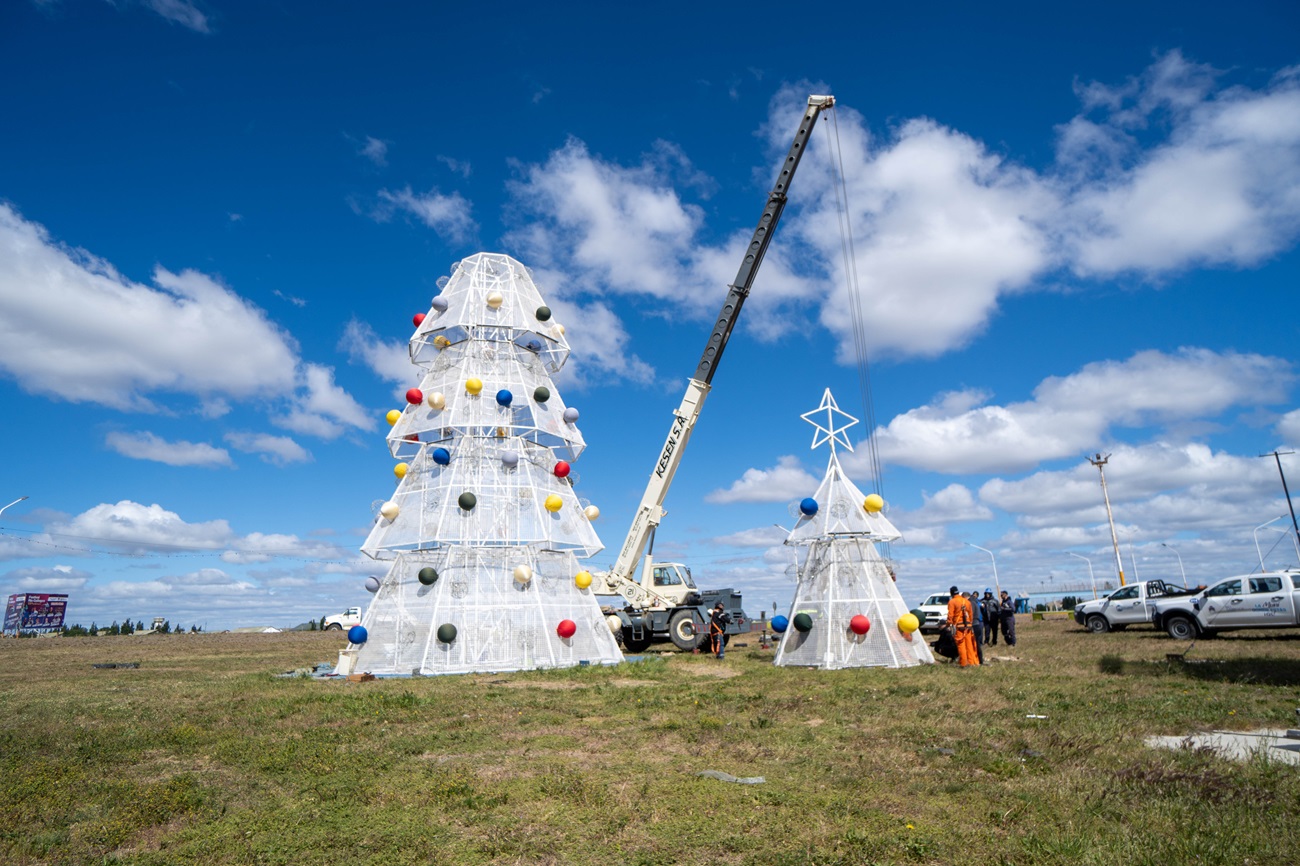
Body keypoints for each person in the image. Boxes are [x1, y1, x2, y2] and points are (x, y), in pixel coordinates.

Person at [946, 586, 979, 667]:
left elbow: (950, 615)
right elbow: (970, 615)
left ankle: (963, 663)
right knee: (969, 644)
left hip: (959, 626)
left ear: (951, 593)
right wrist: (970, 623)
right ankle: (971, 662)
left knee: (961, 644)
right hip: (968, 626)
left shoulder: (952, 601)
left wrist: (948, 624)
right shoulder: (966, 601)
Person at [966, 591, 985, 664]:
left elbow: (971, 614)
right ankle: (977, 659)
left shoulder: (971, 603)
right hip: (977, 623)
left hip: (975, 624)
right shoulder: (975, 602)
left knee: (975, 643)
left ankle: (979, 660)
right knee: (976, 643)